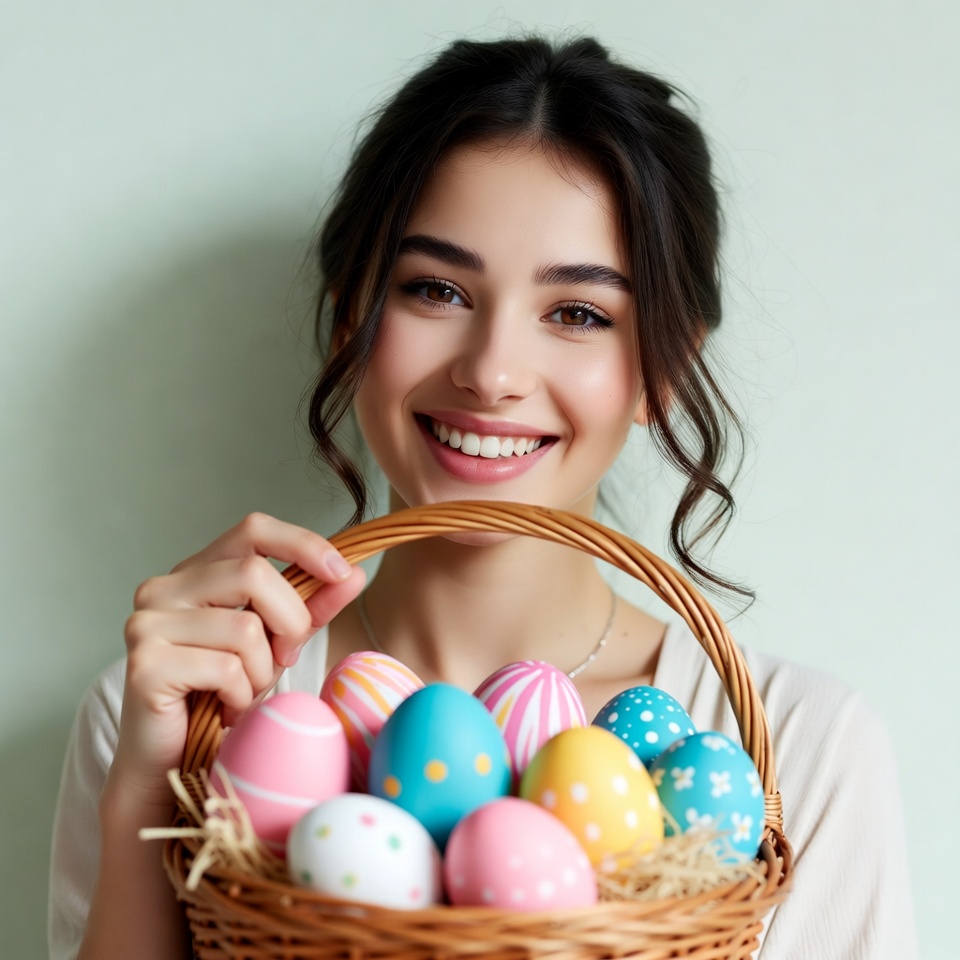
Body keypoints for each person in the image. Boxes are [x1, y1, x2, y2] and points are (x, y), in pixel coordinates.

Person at [49, 35, 918, 960]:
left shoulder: (796, 750)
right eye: (436, 290)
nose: (493, 372)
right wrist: (148, 791)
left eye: (578, 313)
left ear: (665, 365)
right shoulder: (190, 711)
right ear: (353, 319)